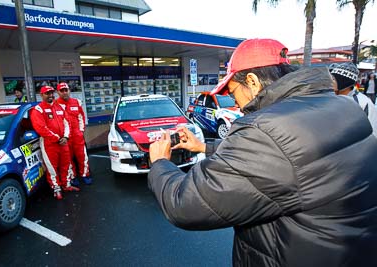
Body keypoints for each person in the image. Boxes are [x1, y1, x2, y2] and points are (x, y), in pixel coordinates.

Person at [148, 39, 377, 266]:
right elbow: (291, 159)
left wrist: (160, 163)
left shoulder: (265, 129)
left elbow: (186, 204)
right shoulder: (344, 106)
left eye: (232, 90)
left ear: (252, 81)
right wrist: (203, 147)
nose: (234, 102)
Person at [30, 85, 80, 200]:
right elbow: (41, 128)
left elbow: (67, 122)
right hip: (50, 144)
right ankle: (56, 188)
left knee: (66, 164)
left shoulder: (58, 107)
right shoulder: (38, 109)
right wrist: (57, 138)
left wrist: (66, 137)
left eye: (52, 93)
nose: (50, 95)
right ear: (41, 95)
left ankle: (66, 185)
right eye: (47, 93)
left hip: (63, 142)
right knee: (52, 167)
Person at [56, 82, 92, 186]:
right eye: (61, 91)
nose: (64, 93)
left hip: (77, 135)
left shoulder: (76, 102)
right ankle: (73, 176)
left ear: (69, 91)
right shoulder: (55, 105)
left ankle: (85, 174)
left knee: (82, 156)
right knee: (68, 159)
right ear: (58, 92)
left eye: (66, 90)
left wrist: (81, 131)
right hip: (65, 137)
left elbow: (81, 117)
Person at [329, 62, 377, 137]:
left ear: (344, 82)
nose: (331, 82)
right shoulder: (330, 98)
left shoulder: (363, 102)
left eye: (334, 79)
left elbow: (373, 132)